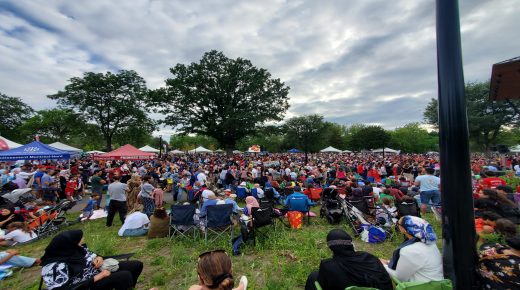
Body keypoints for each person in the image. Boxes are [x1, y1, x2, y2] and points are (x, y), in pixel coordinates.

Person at [41, 230, 143, 290]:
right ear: (70, 243)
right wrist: (98, 277)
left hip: (97, 272)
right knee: (124, 276)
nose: (83, 239)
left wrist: (99, 258)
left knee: (136, 265)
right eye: (80, 239)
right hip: (87, 285)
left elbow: (93, 255)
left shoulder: (75, 249)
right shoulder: (54, 267)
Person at [305, 229, 393, 290]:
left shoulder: (328, 265)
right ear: (350, 244)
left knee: (313, 276)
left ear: (331, 248)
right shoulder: (369, 257)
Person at [381, 216, 443, 282]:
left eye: (398, 224)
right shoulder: (430, 242)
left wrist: (383, 265)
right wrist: (388, 262)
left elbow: (399, 278)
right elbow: (414, 263)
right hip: (438, 281)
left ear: (403, 229)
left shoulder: (409, 250)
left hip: (425, 286)